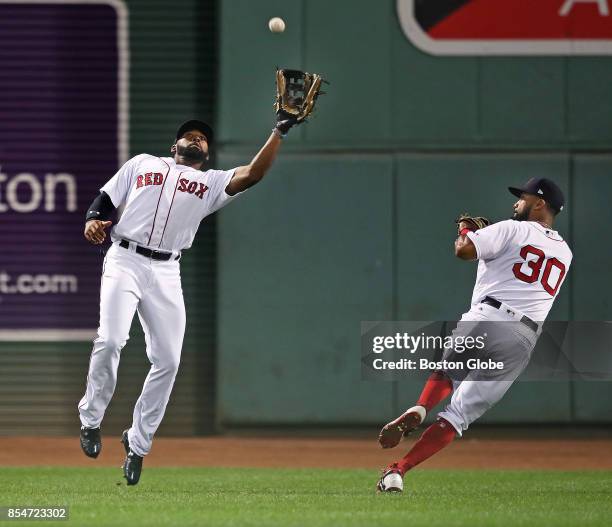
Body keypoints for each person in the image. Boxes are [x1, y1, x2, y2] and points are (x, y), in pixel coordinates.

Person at [78, 112, 299, 485]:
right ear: (174, 146)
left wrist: (278, 132)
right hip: (125, 259)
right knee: (111, 339)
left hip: (166, 271)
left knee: (168, 360)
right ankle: (91, 419)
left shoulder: (210, 183)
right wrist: (92, 221)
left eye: (202, 138)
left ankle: (137, 443)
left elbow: (253, 173)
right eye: (189, 135)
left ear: (207, 153)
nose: (195, 139)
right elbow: (103, 200)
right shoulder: (142, 164)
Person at [377, 178, 573, 492]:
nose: (515, 203)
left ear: (540, 203)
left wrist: (467, 231)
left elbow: (464, 251)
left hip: (490, 316)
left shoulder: (513, 228)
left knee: (448, 371)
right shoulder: (564, 252)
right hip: (523, 339)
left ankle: (422, 406)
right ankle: (397, 470)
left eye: (522, 197)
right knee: (457, 418)